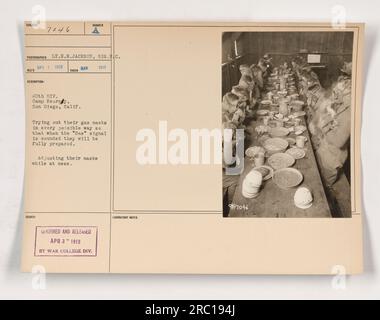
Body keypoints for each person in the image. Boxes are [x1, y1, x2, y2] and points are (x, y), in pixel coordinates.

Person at [315, 61, 352, 186]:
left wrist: (322, 128)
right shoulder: (342, 104)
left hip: (333, 158)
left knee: (323, 186)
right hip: (325, 149)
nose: (335, 96)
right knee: (317, 173)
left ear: (348, 93)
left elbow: (339, 142)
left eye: (338, 93)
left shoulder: (350, 113)